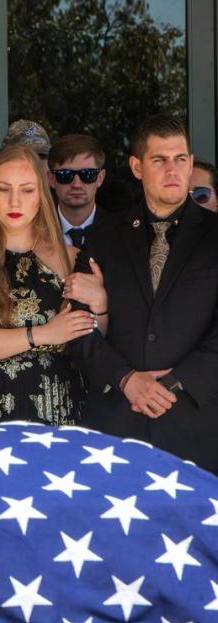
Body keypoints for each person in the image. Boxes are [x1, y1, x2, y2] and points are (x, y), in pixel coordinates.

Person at [68, 115, 218, 472]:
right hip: (116, 421)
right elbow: (76, 325)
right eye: (159, 160)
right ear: (136, 167)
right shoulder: (103, 236)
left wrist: (171, 384)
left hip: (197, 424)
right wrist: (126, 379)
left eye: (181, 159)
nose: (173, 169)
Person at [0, 144, 99, 425]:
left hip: (59, 410)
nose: (15, 201)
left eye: (26, 190)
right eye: (3, 189)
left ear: (42, 195)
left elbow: (95, 340)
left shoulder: (70, 258)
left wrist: (101, 303)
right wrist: (43, 334)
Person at [47, 134, 110, 248]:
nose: (76, 184)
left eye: (87, 174)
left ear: (100, 178)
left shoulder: (120, 233)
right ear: (51, 179)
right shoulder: (34, 233)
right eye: (65, 175)